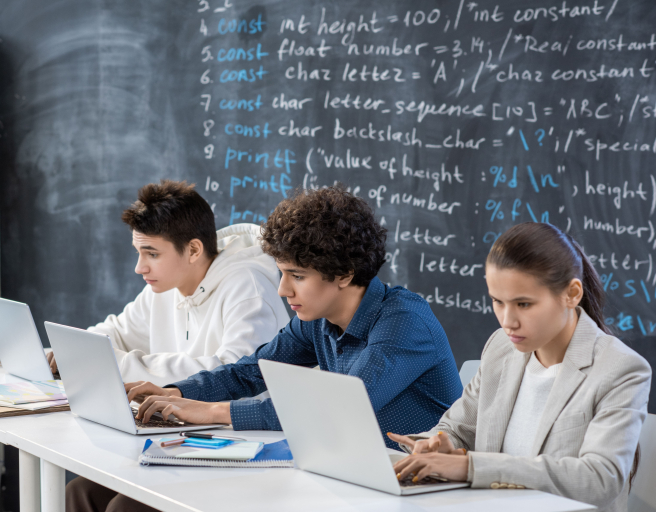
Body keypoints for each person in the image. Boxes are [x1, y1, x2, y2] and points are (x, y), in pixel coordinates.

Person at [127, 185, 463, 442]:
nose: (282, 289)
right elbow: (250, 372)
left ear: (344, 274)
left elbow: (335, 406)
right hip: (351, 470)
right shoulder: (317, 320)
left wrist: (213, 411)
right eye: (282, 272)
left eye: (297, 276)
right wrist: (178, 392)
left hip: (419, 488)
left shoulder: (404, 322)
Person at [390, 223, 651, 512]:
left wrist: (470, 467)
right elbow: (457, 427)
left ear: (572, 293)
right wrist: (436, 444)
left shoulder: (621, 369)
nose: (507, 321)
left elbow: (599, 479)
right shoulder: (500, 347)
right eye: (497, 301)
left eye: (523, 304)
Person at [48, 180, 290, 384]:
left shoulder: (248, 289)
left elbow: (235, 377)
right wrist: (74, 349)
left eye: (152, 254)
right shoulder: (164, 286)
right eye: (138, 252)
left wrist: (115, 364)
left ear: (193, 250)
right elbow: (117, 334)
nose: (139, 268)